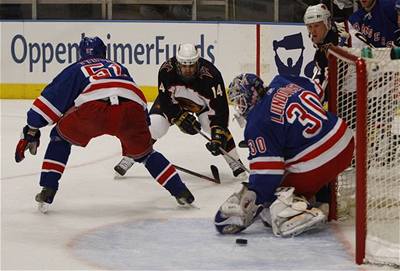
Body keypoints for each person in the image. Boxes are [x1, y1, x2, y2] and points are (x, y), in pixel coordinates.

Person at [14, 36, 194, 213]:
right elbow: (136, 96)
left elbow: (51, 99)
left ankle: (48, 189)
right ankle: (181, 191)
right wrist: (142, 131)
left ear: (81, 54)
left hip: (95, 109)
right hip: (132, 109)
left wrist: (32, 127)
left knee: (59, 138)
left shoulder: (78, 68)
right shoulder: (118, 67)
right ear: (104, 53)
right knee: (146, 154)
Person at [214, 73, 354, 237]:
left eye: (240, 100)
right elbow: (319, 91)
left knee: (270, 206)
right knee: (296, 148)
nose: (239, 106)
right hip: (345, 140)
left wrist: (255, 195)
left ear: (250, 95)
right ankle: (322, 198)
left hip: (320, 162)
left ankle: (297, 211)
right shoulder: (283, 80)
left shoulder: (256, 123)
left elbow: (269, 174)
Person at [114, 43, 247, 179]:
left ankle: (235, 162)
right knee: (155, 125)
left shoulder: (211, 75)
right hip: (173, 103)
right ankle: (131, 155)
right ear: (178, 63)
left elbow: (220, 107)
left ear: (198, 63)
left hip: (200, 105)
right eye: (184, 66)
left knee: (211, 126)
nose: (188, 70)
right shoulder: (166, 70)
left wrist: (218, 136)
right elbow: (165, 100)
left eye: (191, 66)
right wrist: (178, 117)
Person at [303, 3, 349, 102]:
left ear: (327, 23)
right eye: (310, 27)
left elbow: (333, 85)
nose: (313, 31)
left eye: (316, 25)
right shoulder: (324, 44)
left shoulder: (335, 43)